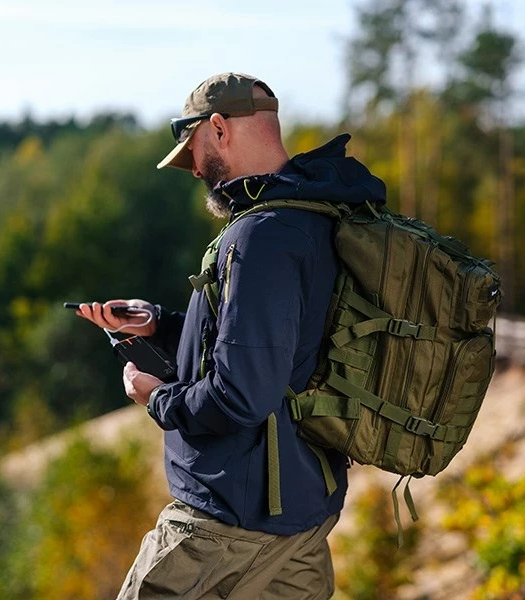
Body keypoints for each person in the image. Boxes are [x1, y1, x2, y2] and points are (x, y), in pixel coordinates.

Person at [77, 72, 386, 599]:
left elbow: (241, 393)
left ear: (219, 129)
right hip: (300, 514)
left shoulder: (262, 237)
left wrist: (158, 399)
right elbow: (275, 351)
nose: (194, 169)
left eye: (193, 151)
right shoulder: (318, 214)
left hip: (228, 524)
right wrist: (159, 325)